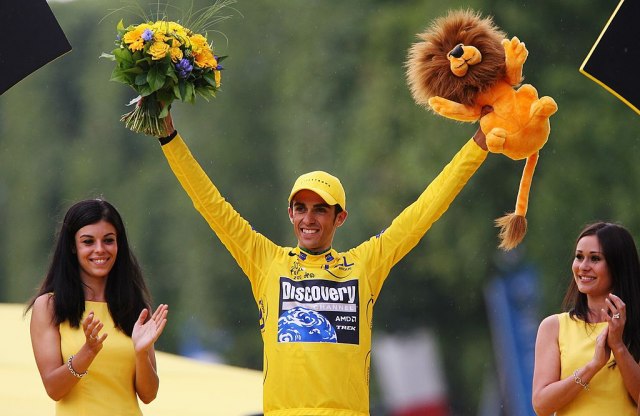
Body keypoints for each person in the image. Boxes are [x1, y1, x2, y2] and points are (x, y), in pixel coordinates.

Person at [153, 108, 489, 415]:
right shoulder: (266, 261)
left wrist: (478, 144)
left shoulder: (364, 265)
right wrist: (169, 138)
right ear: (290, 213)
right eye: (300, 208)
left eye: (320, 209)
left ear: (340, 217)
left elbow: (425, 210)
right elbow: (210, 203)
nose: (308, 219)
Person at [27, 199, 169, 415]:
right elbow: (54, 389)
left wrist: (141, 353)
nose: (100, 249)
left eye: (108, 240)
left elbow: (148, 395)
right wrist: (88, 351)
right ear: (73, 246)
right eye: (88, 242)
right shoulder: (49, 306)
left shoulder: (136, 308)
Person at [532, 222, 640, 415]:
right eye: (579, 257)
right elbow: (542, 405)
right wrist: (592, 366)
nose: (583, 267)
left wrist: (618, 346)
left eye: (595, 258)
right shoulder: (554, 327)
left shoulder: (635, 326)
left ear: (618, 265)